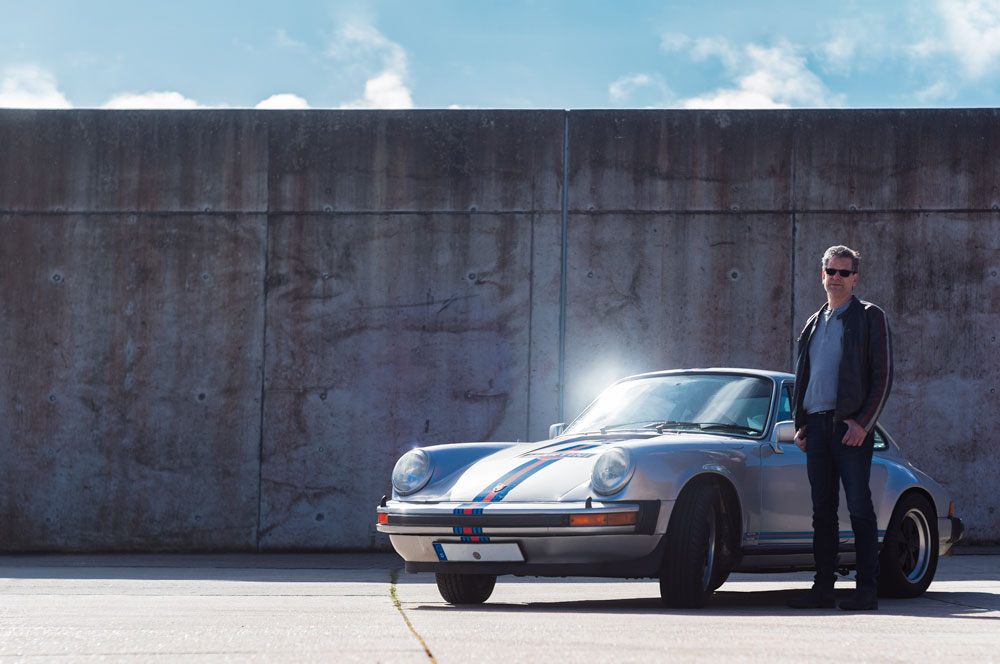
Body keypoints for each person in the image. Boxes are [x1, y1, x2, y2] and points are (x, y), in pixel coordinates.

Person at [788, 245, 893, 611]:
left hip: (848, 428)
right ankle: (823, 589)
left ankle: (867, 591)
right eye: (830, 271)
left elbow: (883, 375)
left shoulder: (869, 317)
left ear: (855, 278)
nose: (836, 278)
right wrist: (801, 423)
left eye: (844, 273)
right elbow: (803, 377)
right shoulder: (814, 322)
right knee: (822, 511)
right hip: (815, 429)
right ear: (822, 275)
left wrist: (864, 424)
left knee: (860, 508)